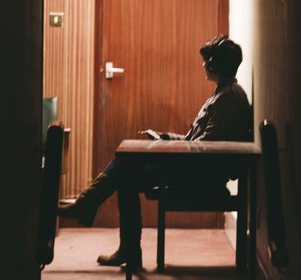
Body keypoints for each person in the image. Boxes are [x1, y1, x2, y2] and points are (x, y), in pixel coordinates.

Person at [58, 35, 251, 267]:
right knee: (126, 170)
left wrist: (167, 149)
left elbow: (207, 148)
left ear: (215, 65)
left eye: (207, 61)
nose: (203, 65)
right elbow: (199, 141)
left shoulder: (228, 98)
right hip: (195, 168)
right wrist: (167, 138)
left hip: (201, 176)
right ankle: (99, 217)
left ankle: (94, 212)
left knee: (126, 168)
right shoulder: (224, 93)